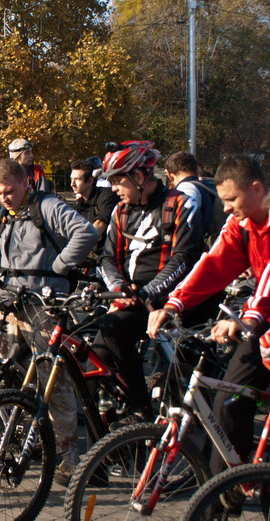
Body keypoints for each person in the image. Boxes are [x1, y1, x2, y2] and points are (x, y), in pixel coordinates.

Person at [147, 155, 270, 478]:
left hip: (262, 314)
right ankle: (224, 491)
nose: (226, 207)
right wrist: (174, 305)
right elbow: (212, 264)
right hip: (262, 321)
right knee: (227, 401)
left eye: (231, 199)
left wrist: (250, 317)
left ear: (256, 189)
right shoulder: (241, 225)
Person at [0, 157, 98, 483]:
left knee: (53, 381)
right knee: (15, 377)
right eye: (0, 192)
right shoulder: (7, 213)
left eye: (10, 191)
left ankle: (69, 455)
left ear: (25, 184)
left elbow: (85, 233)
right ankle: (24, 439)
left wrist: (61, 266)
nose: (5, 197)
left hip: (44, 308)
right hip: (13, 306)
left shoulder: (46, 206)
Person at [94, 140, 202, 429]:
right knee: (96, 349)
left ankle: (142, 409)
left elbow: (184, 257)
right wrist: (119, 287)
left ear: (140, 177)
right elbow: (108, 257)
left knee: (113, 331)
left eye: (118, 181)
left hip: (168, 301)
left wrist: (147, 291)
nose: (114, 188)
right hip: (131, 298)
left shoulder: (178, 204)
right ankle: (117, 417)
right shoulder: (121, 212)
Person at [165, 151, 216, 246]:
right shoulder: (202, 187)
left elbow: (186, 222)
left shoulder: (185, 189)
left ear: (170, 176)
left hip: (189, 248)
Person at [69, 158, 119, 254]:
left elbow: (100, 224)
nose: (72, 184)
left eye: (77, 179)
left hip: (110, 257)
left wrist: (75, 247)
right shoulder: (81, 203)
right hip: (92, 256)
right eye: (71, 179)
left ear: (90, 181)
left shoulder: (107, 196)